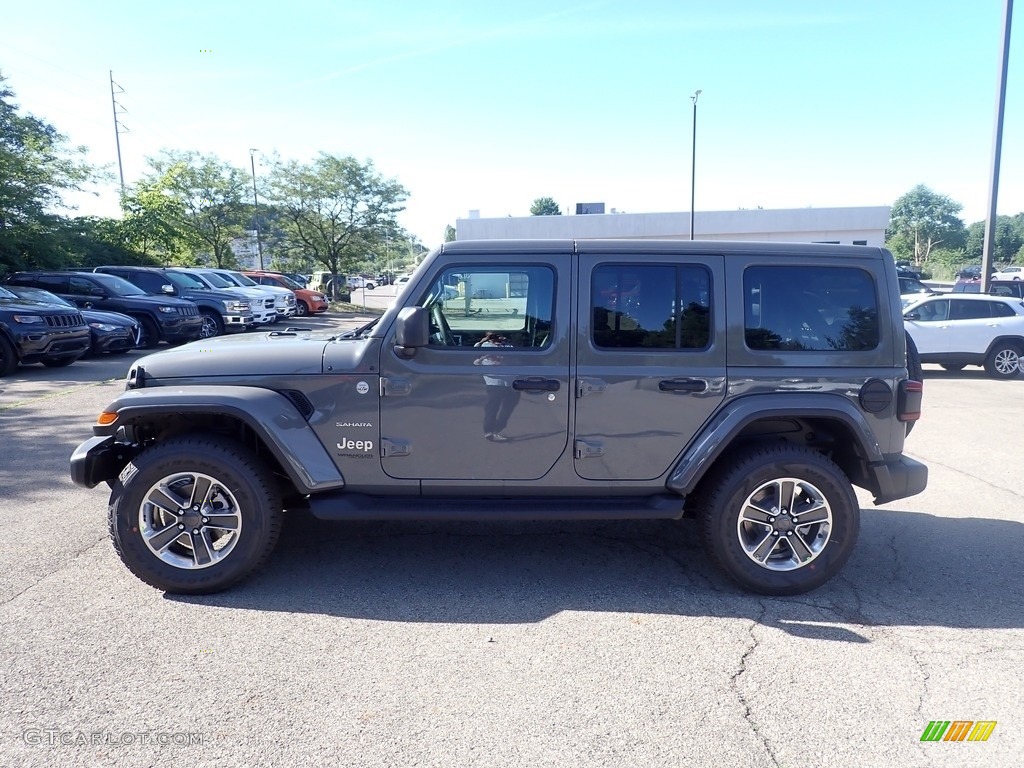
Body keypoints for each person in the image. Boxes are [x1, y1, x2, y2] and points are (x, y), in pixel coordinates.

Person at [473, 332, 520, 442]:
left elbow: (516, 357)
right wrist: (483, 344)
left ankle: (498, 428)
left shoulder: (507, 346)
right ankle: (489, 432)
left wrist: (505, 343)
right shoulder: (483, 346)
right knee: (492, 408)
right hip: (494, 381)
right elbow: (475, 362)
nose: (495, 338)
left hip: (510, 381)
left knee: (509, 406)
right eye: (492, 335)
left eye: (497, 335)